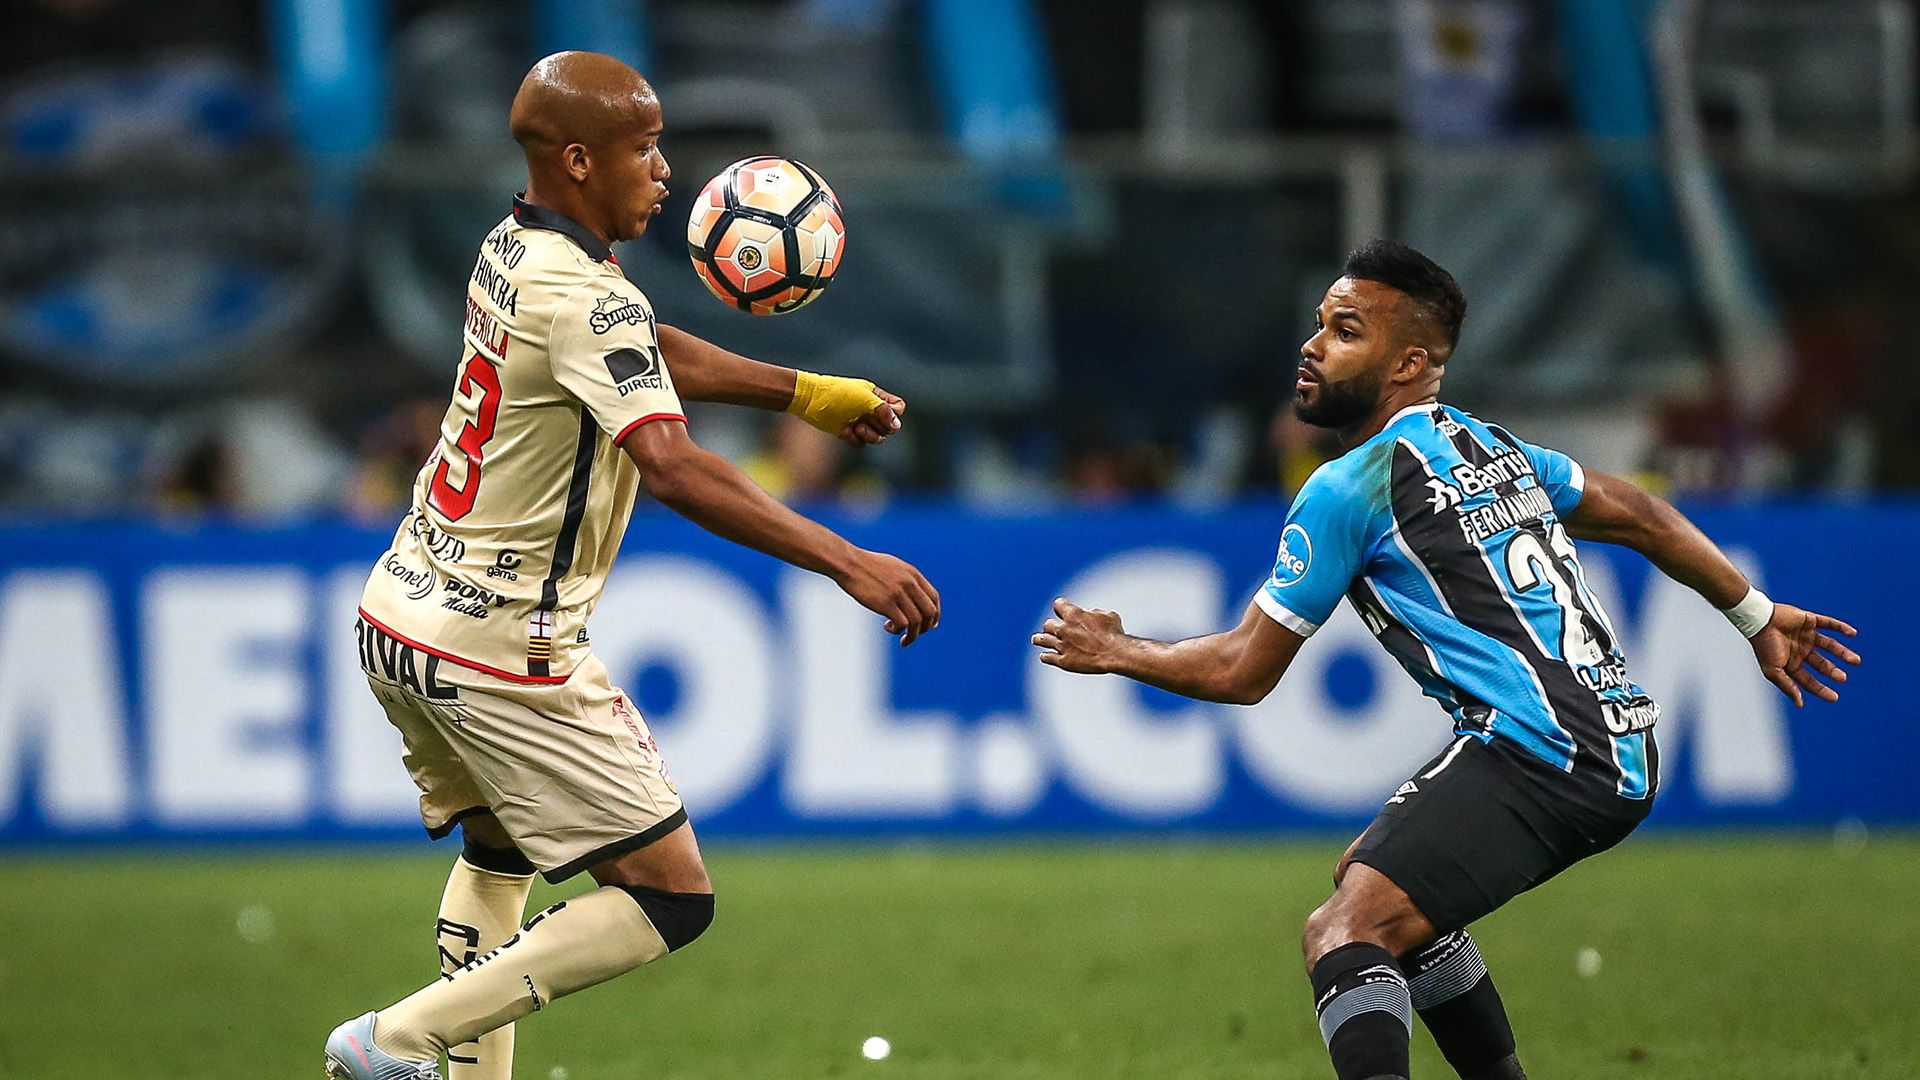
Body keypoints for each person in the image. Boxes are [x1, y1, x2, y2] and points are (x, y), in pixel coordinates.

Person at [1030, 240, 1860, 1080]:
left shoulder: (1351, 486)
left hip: (1546, 749)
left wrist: (1118, 650)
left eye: (1345, 331)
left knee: (1345, 931)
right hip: (1611, 740)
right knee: (1376, 888)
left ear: (1409, 362)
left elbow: (1243, 671)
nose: (1314, 346)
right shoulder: (1492, 448)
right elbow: (1640, 511)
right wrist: (1754, 615)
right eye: (1319, 324)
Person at [326, 51, 940, 1080]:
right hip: (500, 648)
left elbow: (640, 342)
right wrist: (847, 558)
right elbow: (674, 467)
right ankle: (396, 1040)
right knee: (670, 894)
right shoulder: (583, 295)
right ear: (578, 159)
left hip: (402, 614)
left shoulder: (511, 245)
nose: (666, 172)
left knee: (500, 851)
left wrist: (808, 393)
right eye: (645, 148)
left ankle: (431, 1064)